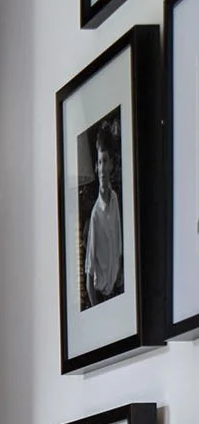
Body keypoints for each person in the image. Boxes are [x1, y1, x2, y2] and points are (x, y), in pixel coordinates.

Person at [84, 127, 123, 307]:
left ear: (112, 165)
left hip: (118, 293)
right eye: (99, 162)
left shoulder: (115, 199)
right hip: (103, 298)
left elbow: (118, 249)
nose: (101, 168)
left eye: (105, 161)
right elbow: (89, 275)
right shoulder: (95, 215)